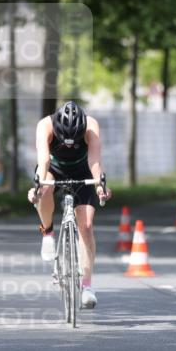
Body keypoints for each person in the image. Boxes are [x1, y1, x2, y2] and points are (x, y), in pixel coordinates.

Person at [27, 101, 111, 309]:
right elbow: (44, 160)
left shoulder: (91, 126)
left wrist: (100, 187)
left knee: (87, 225)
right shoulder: (45, 125)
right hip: (54, 168)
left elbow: (94, 161)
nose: (70, 144)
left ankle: (87, 286)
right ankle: (47, 232)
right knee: (45, 188)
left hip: (83, 170)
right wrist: (37, 187)